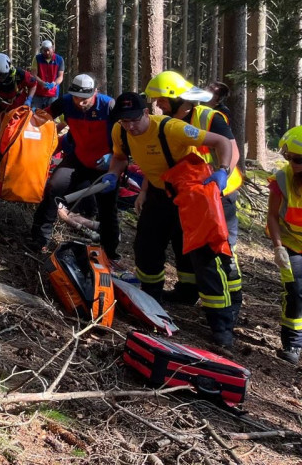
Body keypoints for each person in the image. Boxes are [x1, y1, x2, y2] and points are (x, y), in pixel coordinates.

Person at [105, 91, 239, 347]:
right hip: (158, 191)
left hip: (190, 191)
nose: (130, 126)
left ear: (146, 112)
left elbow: (222, 142)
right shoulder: (120, 131)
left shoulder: (173, 128)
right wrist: (114, 174)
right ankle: (151, 301)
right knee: (146, 247)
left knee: (204, 254)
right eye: (125, 121)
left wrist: (223, 172)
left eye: (134, 119)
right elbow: (121, 157)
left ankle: (222, 324)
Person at [144, 71, 244, 313]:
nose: (158, 104)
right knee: (184, 242)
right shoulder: (166, 124)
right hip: (188, 195)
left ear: (180, 100)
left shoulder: (210, 118)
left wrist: (221, 175)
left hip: (220, 194)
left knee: (221, 248)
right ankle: (187, 291)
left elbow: (233, 152)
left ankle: (232, 301)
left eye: (163, 100)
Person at [28, 74, 119, 259]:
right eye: (77, 98)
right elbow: (41, 118)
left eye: (85, 99)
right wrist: (26, 123)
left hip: (106, 164)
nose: (81, 103)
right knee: (53, 187)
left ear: (95, 92)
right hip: (79, 157)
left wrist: (116, 155)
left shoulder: (109, 106)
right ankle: (40, 238)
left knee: (107, 208)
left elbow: (127, 134)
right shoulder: (66, 102)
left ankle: (109, 252)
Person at [267, 126, 302, 364]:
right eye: (288, 158)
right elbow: (272, 216)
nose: (292, 164)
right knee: (296, 292)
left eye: (297, 160)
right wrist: (278, 246)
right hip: (291, 244)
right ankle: (292, 343)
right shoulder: (281, 178)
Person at [0, 53, 38, 137]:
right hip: (0, 111)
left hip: (19, 110)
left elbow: (33, 84)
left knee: (18, 135)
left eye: (2, 76)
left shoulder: (20, 74)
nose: (0, 79)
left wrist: (29, 99)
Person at [30, 39, 65, 111]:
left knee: (51, 116)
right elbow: (33, 74)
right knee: (35, 115)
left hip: (53, 94)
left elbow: (60, 76)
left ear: (52, 49)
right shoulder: (37, 58)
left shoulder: (59, 59)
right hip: (38, 93)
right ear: (42, 50)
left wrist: (54, 83)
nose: (47, 52)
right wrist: (41, 83)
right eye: (45, 51)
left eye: (49, 50)